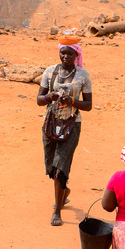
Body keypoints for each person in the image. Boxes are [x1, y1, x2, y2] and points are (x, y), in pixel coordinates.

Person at [36, 36, 92, 226]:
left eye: (70, 53)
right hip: (50, 124)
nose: (65, 56)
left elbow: (89, 105)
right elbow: (38, 99)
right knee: (52, 168)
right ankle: (64, 192)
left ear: (77, 55)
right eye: (63, 52)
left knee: (60, 168)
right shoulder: (50, 72)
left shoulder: (83, 75)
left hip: (72, 125)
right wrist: (49, 97)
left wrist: (73, 102)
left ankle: (57, 212)